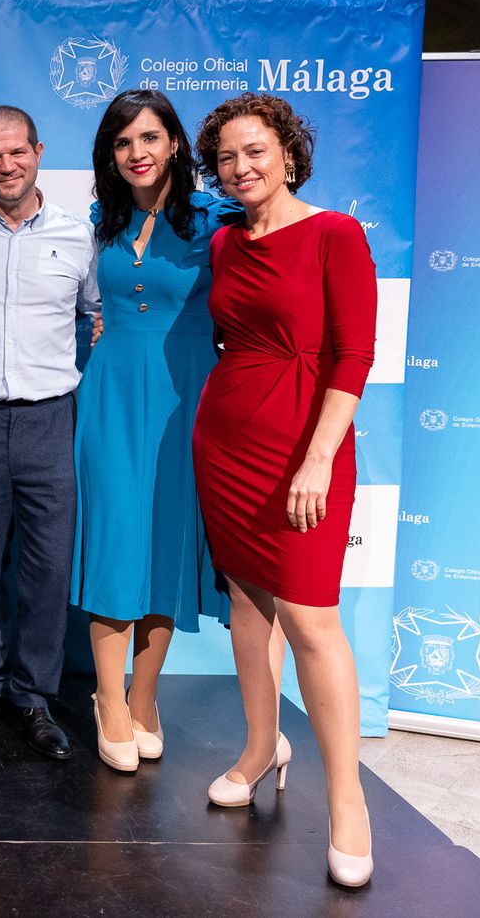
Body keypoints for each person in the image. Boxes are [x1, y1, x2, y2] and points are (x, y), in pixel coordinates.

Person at [192, 93, 376, 888]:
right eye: (228, 157)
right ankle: (262, 746)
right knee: (246, 606)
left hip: (305, 446)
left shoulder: (336, 233)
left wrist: (317, 460)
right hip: (227, 439)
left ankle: (348, 799)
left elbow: (354, 355)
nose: (242, 167)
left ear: (289, 153)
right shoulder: (226, 242)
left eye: (255, 151)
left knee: (310, 619)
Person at [71, 89, 232, 772]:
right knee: (113, 540)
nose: (137, 153)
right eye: (122, 142)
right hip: (109, 394)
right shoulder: (96, 222)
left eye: (148, 138)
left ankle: (145, 698)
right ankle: (109, 701)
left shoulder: (216, 220)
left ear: (174, 144)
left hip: (184, 397)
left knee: (165, 541)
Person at [0, 105, 101, 761]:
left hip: (49, 421)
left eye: (18, 152)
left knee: (47, 569)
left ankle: (34, 697)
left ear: (38, 151)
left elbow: (100, 316)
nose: (7, 165)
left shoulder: (79, 236)